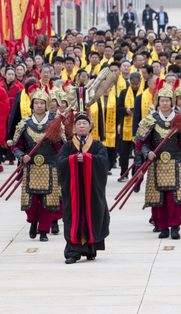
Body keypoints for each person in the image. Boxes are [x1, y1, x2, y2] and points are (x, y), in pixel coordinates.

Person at [135, 86, 181, 240]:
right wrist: (148, 152)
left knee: (174, 197)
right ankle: (163, 227)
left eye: (167, 101)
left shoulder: (179, 118)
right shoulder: (151, 119)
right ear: (158, 102)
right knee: (159, 197)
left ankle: (175, 227)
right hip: (156, 162)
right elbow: (142, 143)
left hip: (175, 162)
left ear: (172, 102)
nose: (165, 103)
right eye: (162, 101)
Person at [12, 85, 64, 242]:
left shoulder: (54, 122)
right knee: (32, 200)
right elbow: (16, 146)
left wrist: (57, 135)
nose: (39, 105)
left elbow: (61, 147)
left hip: (50, 165)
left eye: (42, 103)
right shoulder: (25, 123)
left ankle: (43, 231)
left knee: (49, 200)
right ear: (32, 104)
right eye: (36, 103)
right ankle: (33, 222)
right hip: (31, 166)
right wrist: (22, 156)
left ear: (46, 104)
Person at [57, 112, 111, 263]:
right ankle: (72, 251)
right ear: (73, 128)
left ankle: (90, 248)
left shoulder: (98, 145)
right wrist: (74, 159)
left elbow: (105, 162)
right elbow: (59, 162)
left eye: (84, 124)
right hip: (73, 192)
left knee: (93, 215)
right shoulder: (68, 146)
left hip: (92, 191)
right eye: (79, 124)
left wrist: (87, 158)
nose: (82, 126)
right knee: (73, 218)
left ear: (90, 127)